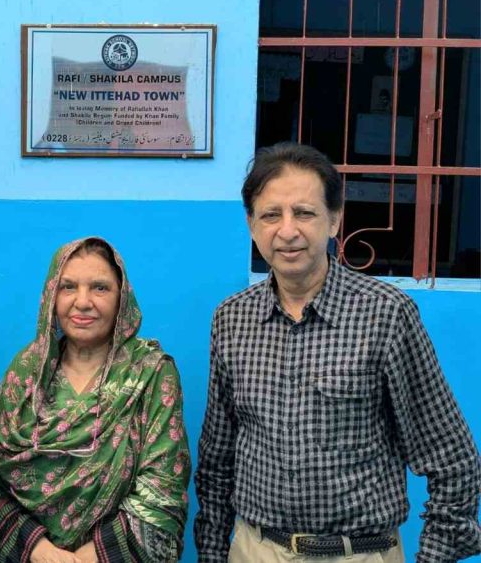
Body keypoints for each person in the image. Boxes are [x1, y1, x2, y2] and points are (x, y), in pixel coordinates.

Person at [194, 142, 481, 562]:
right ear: (251, 225)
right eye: (271, 214)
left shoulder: (385, 314)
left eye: (304, 213)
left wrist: (433, 555)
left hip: (359, 553)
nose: (287, 231)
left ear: (334, 220)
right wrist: (213, 554)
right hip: (255, 550)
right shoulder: (232, 319)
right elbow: (217, 462)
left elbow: (451, 457)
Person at [0, 237, 191, 562]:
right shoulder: (25, 373)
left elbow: (162, 489)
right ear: (52, 295)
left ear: (123, 298)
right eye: (68, 287)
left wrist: (89, 558)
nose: (83, 301)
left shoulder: (150, 373)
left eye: (100, 288)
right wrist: (41, 550)